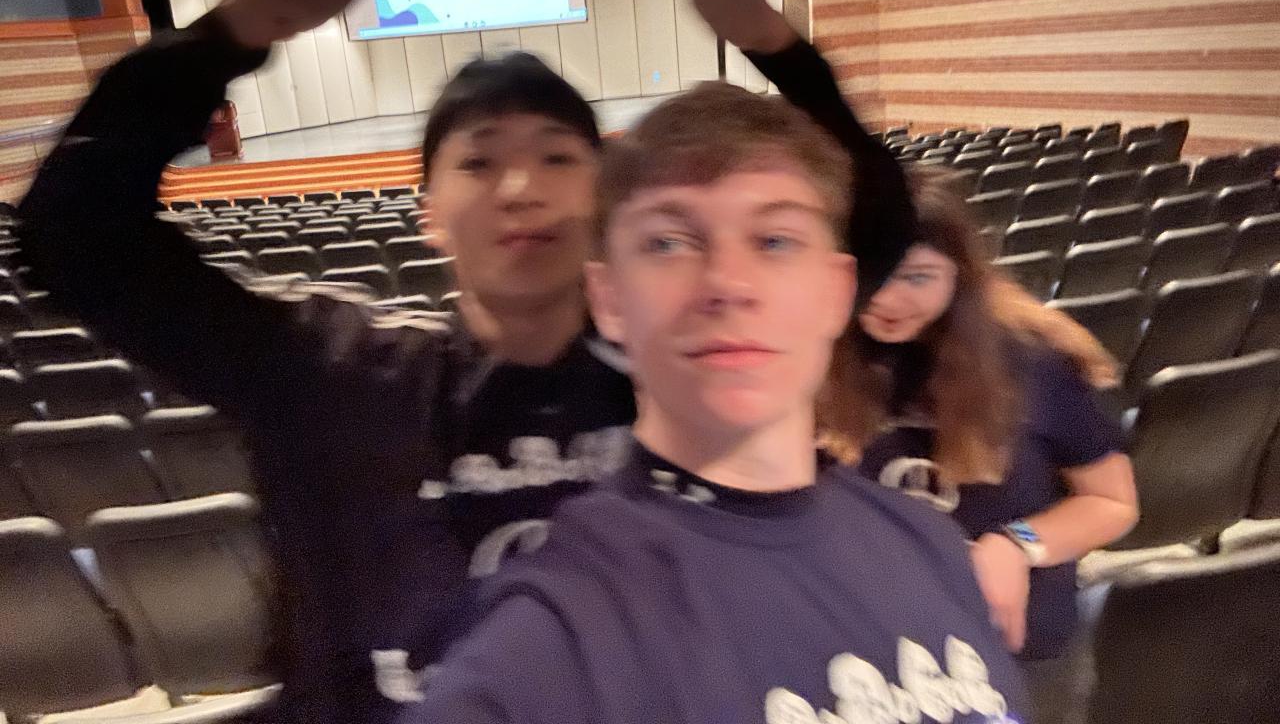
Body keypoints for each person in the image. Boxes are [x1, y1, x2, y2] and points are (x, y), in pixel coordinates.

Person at [16, 0, 638, 724]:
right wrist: (229, 36)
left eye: (557, 158)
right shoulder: (332, 373)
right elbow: (76, 235)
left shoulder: (682, 377)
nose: (520, 187)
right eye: (479, 163)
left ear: (605, 194)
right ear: (429, 214)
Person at [401, 79, 1027, 724]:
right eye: (669, 243)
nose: (728, 284)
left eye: (775, 240)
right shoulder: (552, 644)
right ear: (609, 300)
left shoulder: (932, 544)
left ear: (837, 292)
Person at [818, 169, 1139, 723]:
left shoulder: (1033, 363)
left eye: (918, 276)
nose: (888, 298)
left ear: (959, 276)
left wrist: (1016, 545)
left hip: (1014, 650)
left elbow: (1113, 501)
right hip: (869, 653)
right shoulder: (811, 356)